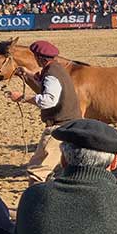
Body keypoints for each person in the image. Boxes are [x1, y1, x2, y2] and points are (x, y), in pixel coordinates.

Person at [9, 39, 81, 183]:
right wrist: (28, 73)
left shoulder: (51, 75)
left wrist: (22, 97)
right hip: (70, 124)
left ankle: (35, 200)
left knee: (37, 170)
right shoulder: (56, 68)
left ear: (40, 58)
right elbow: (43, 80)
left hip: (59, 127)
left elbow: (48, 100)